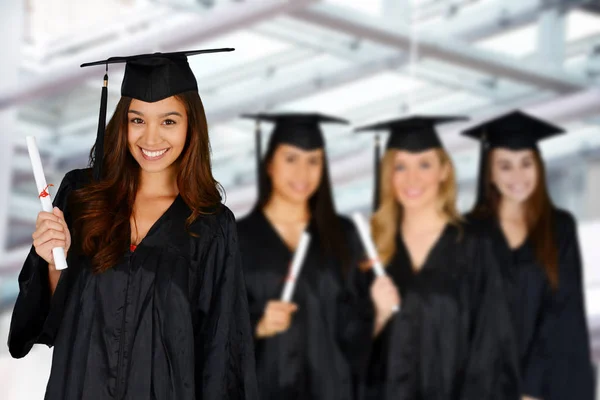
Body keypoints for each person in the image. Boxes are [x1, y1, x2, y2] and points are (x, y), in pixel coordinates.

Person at [8, 49, 258, 400]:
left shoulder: (211, 226)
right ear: (122, 122)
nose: (150, 139)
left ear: (191, 125)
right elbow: (49, 323)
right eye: (137, 120)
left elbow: (222, 352)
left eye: (168, 121)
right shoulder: (81, 195)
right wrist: (51, 263)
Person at [357, 116, 520, 400]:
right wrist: (377, 317)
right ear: (388, 175)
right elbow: (336, 353)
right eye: (400, 166)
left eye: (424, 164)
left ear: (444, 171)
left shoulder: (476, 247)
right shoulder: (370, 252)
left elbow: (493, 346)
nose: (412, 179)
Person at [237, 113, 384, 400]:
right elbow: (210, 326)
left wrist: (378, 310)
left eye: (313, 160)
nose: (302, 173)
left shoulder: (345, 235)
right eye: (291, 159)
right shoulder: (234, 239)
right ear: (269, 163)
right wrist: (257, 325)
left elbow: (357, 330)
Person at [462, 110, 594, 400]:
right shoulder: (468, 232)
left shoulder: (559, 228)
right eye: (505, 166)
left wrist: (530, 389)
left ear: (539, 167)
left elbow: (563, 309)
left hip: (544, 386)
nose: (518, 176)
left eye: (526, 164)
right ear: (490, 173)